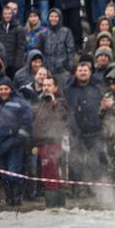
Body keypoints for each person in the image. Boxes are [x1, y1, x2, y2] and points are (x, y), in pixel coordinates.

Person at [0, 77, 32, 206]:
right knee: (4, 174)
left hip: (14, 143)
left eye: (6, 89)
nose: (3, 91)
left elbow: (27, 122)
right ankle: (9, 199)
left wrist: (20, 137)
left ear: (11, 89)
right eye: (1, 89)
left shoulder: (20, 103)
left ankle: (18, 199)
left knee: (13, 172)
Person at [64, 62, 105, 193]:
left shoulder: (97, 89)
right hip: (75, 132)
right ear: (76, 73)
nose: (82, 73)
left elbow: (102, 109)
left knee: (94, 162)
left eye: (85, 70)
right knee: (75, 162)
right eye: (80, 70)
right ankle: (75, 190)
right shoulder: (68, 90)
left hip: (94, 131)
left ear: (90, 72)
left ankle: (94, 191)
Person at [32, 75, 69, 207]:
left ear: (55, 87)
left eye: (49, 85)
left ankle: (54, 208)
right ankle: (55, 208)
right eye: (44, 85)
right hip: (43, 144)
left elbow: (62, 115)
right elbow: (37, 125)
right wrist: (35, 144)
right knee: (49, 175)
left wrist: (54, 102)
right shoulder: (41, 102)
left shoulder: (61, 102)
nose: (46, 88)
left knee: (53, 176)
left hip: (54, 144)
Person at [40, 9, 75, 84]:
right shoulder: (44, 33)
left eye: (56, 16)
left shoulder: (66, 31)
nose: (53, 18)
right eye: (51, 16)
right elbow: (41, 51)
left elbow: (70, 50)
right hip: (48, 70)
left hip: (63, 70)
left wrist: (69, 68)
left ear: (60, 18)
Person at [0, 5, 26, 76]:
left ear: (13, 14)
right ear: (2, 15)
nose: (7, 16)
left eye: (9, 14)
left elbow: (21, 47)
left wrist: (18, 64)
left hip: (13, 64)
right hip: (0, 62)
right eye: (5, 14)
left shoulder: (19, 28)